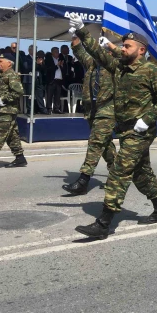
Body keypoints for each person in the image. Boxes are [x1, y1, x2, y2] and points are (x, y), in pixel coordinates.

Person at [69, 13, 157, 239]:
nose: (123, 49)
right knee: (141, 173)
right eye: (122, 46)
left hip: (141, 131)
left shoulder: (152, 71)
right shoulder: (119, 68)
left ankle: (103, 224)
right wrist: (82, 30)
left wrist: (146, 119)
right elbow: (97, 52)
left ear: (141, 50)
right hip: (125, 129)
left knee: (119, 170)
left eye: (127, 46)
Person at [61, 34, 118, 195]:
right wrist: (75, 36)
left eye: (104, 50)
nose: (101, 52)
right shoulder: (92, 64)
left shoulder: (114, 65)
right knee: (105, 144)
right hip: (91, 109)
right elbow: (79, 50)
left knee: (95, 141)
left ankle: (83, 180)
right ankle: (117, 174)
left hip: (107, 108)